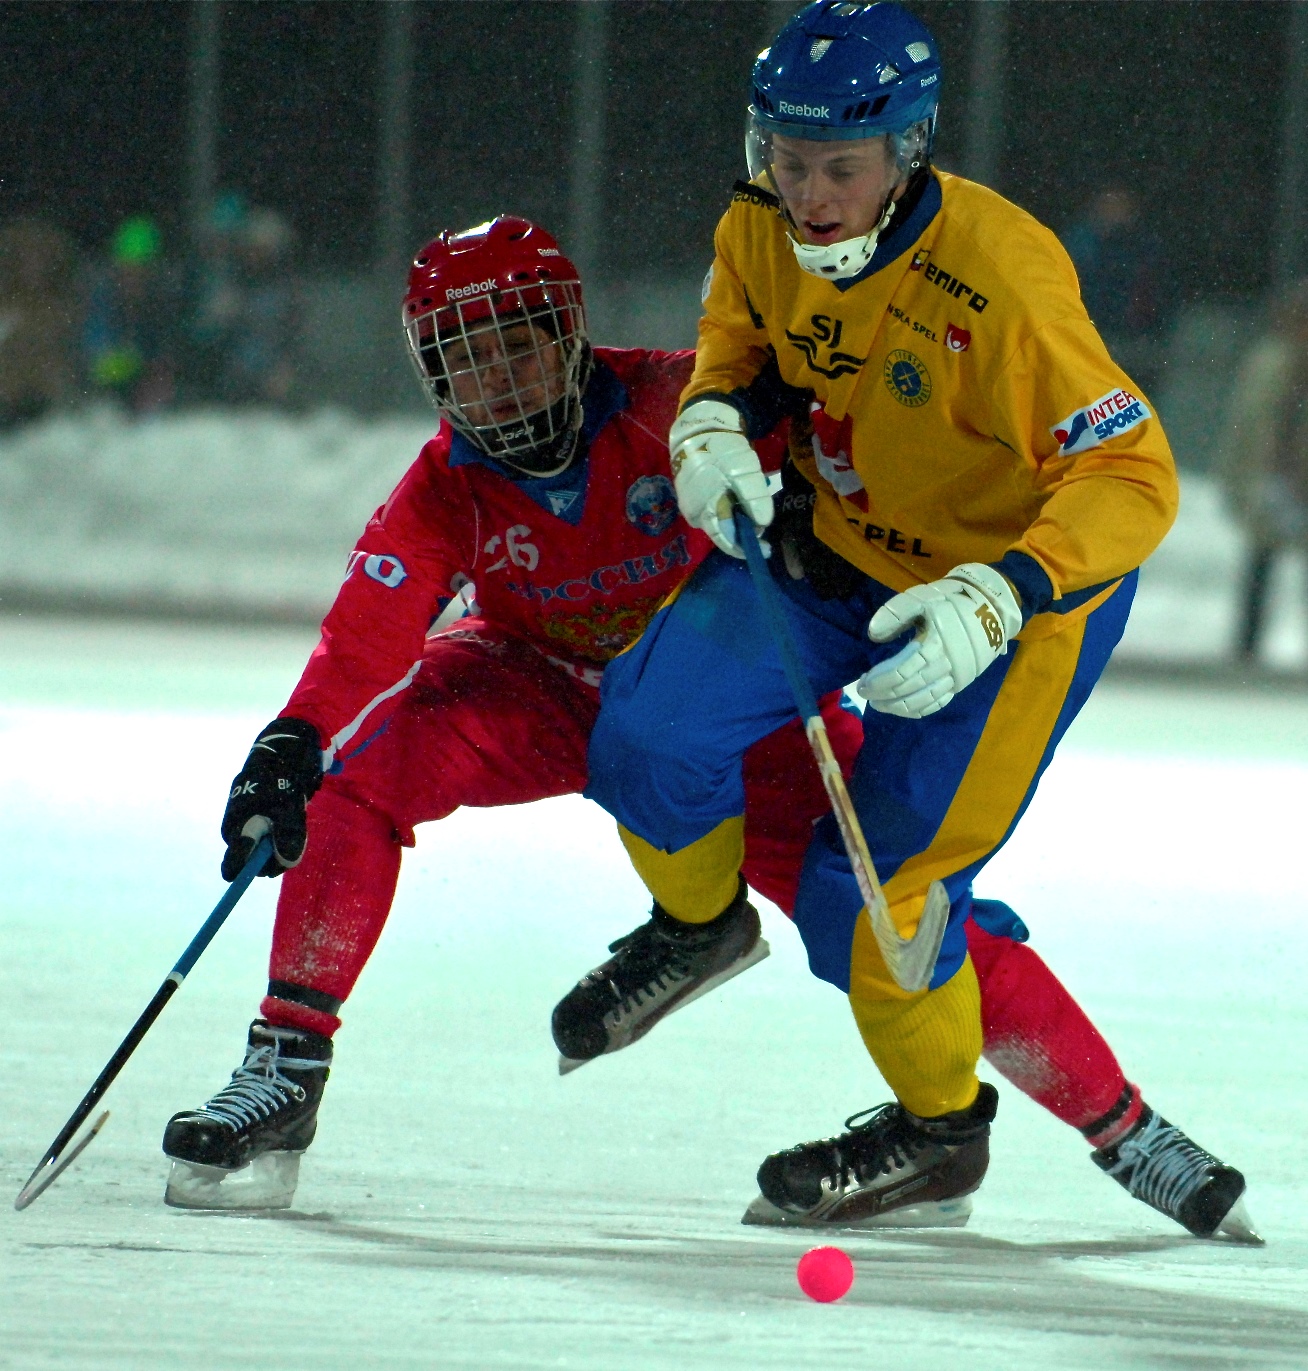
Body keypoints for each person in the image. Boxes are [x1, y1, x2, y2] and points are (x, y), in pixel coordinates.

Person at [161, 214, 1242, 1240]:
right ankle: (284, 1069)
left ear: (566, 331)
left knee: (884, 905)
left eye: (519, 346)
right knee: (351, 772)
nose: (500, 381)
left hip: (727, 722)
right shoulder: (445, 487)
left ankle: (1125, 1128)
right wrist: (289, 741)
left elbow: (844, 447)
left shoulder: (679, 401)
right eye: (465, 359)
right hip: (529, 691)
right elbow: (368, 632)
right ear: (433, 375)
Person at [580, 0, 1254, 1240]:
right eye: (790, 161)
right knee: (644, 734)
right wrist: (714, 416)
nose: (811, 194)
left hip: (1003, 606)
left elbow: (1135, 475)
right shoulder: (756, 220)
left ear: (909, 150)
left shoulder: (1001, 279)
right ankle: (697, 927)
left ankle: (939, 1133)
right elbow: (742, 337)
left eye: (842, 165)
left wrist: (1005, 593)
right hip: (833, 552)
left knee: (875, 902)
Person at [1218, 280, 1308, 662]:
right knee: (1260, 563)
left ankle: (1247, 645)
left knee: (1264, 563)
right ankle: (1246, 646)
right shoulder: (1270, 364)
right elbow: (1247, 426)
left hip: (1292, 477)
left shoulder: (1271, 363)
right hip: (1271, 479)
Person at [0, 218, 77, 430]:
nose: (34, 264)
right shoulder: (6, 301)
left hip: (49, 406)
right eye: (26, 255)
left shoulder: (65, 304)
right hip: (7, 403)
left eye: (41, 256)